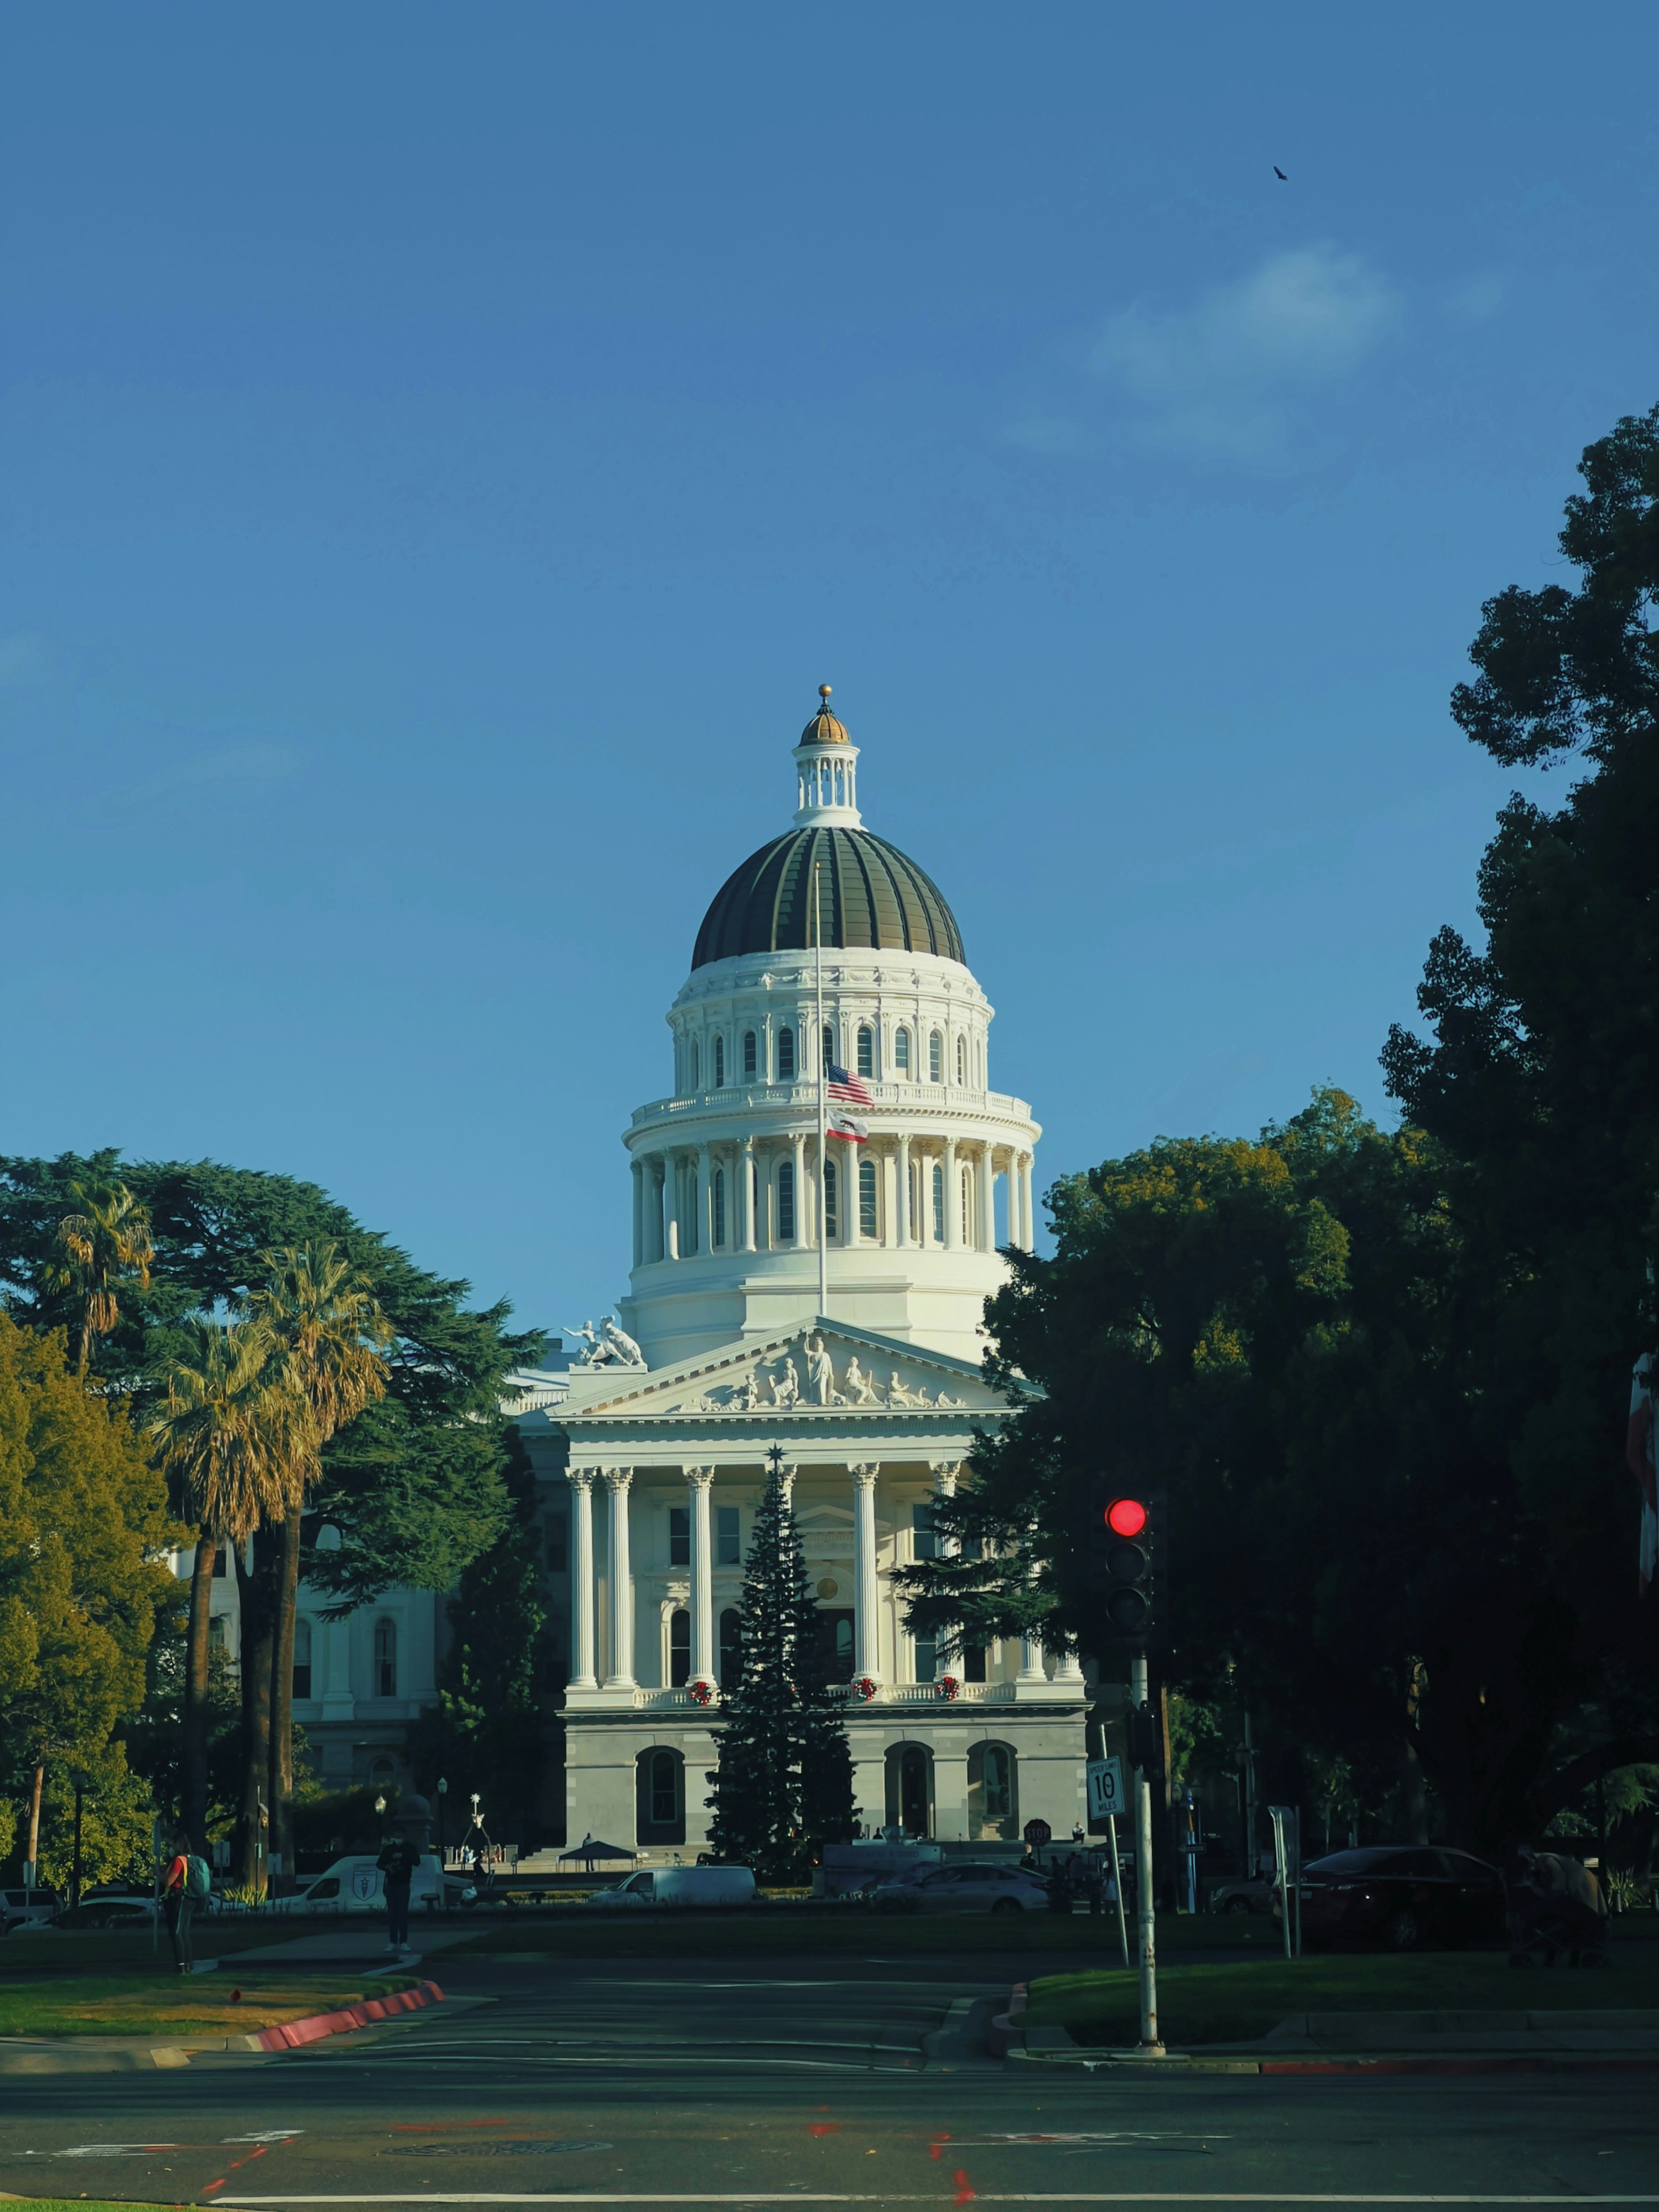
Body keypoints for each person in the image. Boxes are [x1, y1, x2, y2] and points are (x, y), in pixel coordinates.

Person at [376, 1829, 423, 1956]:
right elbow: (379, 1864)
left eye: (400, 1836)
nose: (398, 1838)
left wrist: (404, 1861)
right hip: (391, 1883)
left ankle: (403, 1941)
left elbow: (417, 1862)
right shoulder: (389, 1849)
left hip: (404, 1883)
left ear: (404, 1836)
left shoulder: (410, 1848)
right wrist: (388, 1867)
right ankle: (392, 1941)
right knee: (392, 1914)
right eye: (396, 1836)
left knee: (402, 1913)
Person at [162, 1830, 195, 1975]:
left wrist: (158, 1874)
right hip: (189, 1898)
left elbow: (170, 1881)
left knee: (176, 1932)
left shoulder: (179, 1860)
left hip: (179, 1897)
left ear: (178, 1845)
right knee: (184, 1932)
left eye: (172, 1844)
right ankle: (188, 1964)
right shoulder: (189, 1859)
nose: (170, 1847)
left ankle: (181, 1965)